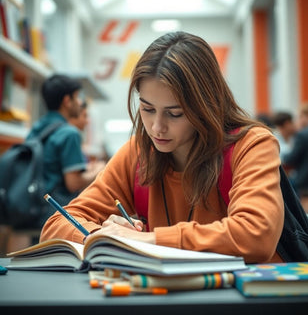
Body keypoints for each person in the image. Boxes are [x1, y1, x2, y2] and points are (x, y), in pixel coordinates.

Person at [40, 32, 284, 264]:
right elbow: (56, 225)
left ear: (206, 105)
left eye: (174, 113)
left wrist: (148, 240)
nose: (157, 128)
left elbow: (256, 235)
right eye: (147, 109)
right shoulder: (137, 153)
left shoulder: (252, 145)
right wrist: (105, 237)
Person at [26, 74, 105, 223]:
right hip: (56, 211)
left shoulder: (37, 128)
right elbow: (73, 183)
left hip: (33, 207)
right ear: (67, 101)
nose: (79, 102)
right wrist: (99, 170)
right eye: (77, 97)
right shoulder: (70, 133)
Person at [282, 102, 308, 197]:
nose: (298, 120)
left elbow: (291, 159)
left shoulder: (303, 134)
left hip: (306, 182)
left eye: (300, 116)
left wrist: (282, 155)